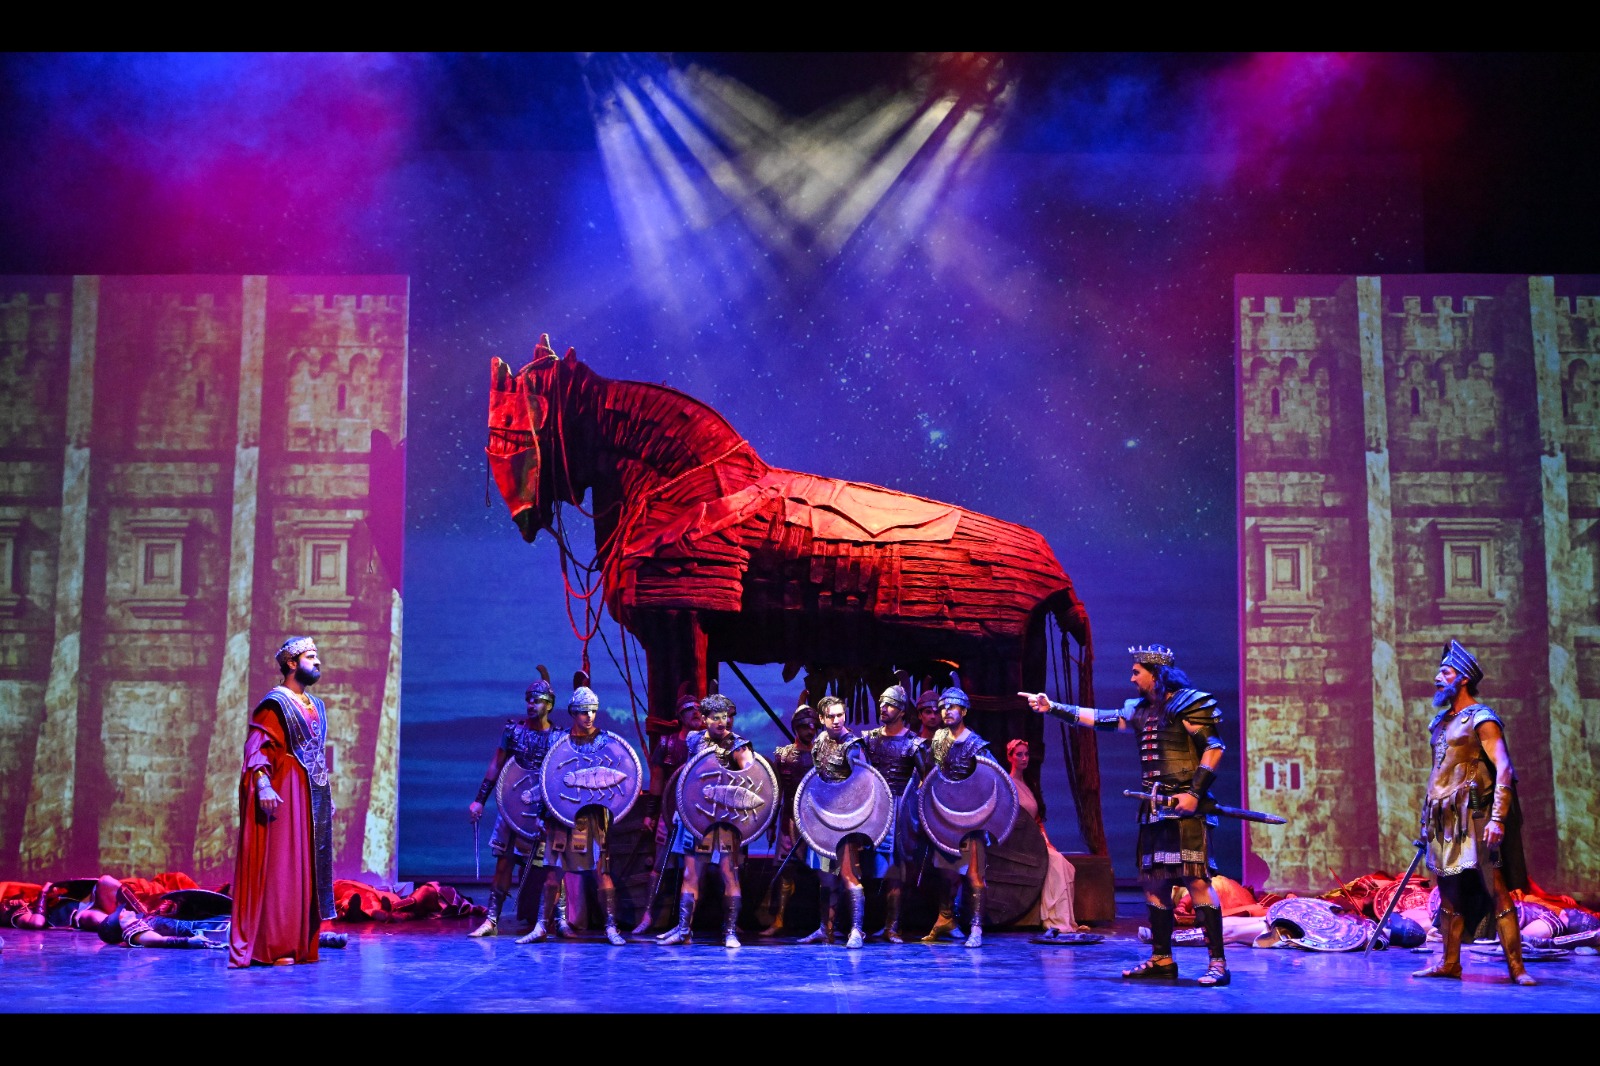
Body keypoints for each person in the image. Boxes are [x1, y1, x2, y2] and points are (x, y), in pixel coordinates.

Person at [1023, 643, 1231, 986]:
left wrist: (1194, 794)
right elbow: (1100, 718)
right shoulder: (1140, 710)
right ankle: (1162, 959)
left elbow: (1213, 748)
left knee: (1196, 881)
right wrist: (1053, 707)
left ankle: (1218, 964)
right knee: (1154, 883)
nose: (1131, 678)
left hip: (1186, 810)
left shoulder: (1189, 704)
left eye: (1137, 672)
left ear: (1157, 673)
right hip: (1153, 808)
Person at [1411, 640, 1535, 985]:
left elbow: (1504, 768)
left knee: (1495, 887)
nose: (1437, 678)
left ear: (1463, 678)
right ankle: (1450, 963)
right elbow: (1437, 774)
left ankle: (1517, 968)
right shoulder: (1440, 722)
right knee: (1449, 893)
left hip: (1476, 814)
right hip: (1443, 817)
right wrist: (1425, 822)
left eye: (1445, 672)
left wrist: (1497, 819)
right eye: (1439, 672)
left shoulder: (1482, 718)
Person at [230, 636, 342, 967]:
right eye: (310, 656)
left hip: (311, 795)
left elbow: (316, 754)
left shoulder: (316, 705)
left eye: (317, 656)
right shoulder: (275, 703)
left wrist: (325, 794)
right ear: (292, 664)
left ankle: (298, 942)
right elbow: (257, 747)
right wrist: (263, 784)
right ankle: (274, 945)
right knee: (284, 867)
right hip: (286, 790)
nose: (317, 662)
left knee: (306, 869)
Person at [523, 671, 627, 946]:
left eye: (593, 711)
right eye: (583, 712)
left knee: (602, 871)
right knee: (552, 874)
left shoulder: (605, 741)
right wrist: (542, 816)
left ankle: (611, 927)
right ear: (573, 713)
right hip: (562, 817)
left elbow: (625, 772)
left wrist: (613, 809)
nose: (589, 716)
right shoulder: (558, 742)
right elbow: (548, 781)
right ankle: (541, 926)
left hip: (592, 817)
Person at [657, 692, 754, 949]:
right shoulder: (694, 739)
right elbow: (688, 775)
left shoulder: (737, 744)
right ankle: (683, 930)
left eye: (725, 717)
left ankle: (730, 932)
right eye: (715, 718)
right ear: (705, 718)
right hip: (696, 817)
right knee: (691, 873)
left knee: (729, 873)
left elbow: (752, 773)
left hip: (724, 819)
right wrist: (681, 810)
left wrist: (743, 769)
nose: (722, 722)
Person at [466, 667, 558, 937]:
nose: (531, 704)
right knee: (504, 863)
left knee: (553, 867)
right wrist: (479, 801)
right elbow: (496, 766)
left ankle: (556, 920)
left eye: (537, 700)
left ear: (549, 705)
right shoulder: (513, 732)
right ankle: (491, 920)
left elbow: (559, 776)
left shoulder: (558, 737)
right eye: (528, 699)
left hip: (544, 813)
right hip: (513, 808)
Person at [918, 673, 992, 949]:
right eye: (943, 707)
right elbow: (930, 773)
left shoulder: (976, 744)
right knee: (947, 873)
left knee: (973, 875)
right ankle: (945, 919)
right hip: (945, 818)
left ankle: (976, 928)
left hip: (970, 819)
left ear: (964, 711)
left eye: (952, 707)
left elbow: (993, 780)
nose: (946, 712)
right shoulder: (938, 739)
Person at [799, 695, 873, 949]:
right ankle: (825, 929)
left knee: (848, 874)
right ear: (821, 718)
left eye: (840, 715)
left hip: (845, 822)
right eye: (831, 716)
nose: (836, 720)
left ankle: (856, 930)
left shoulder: (853, 745)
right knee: (826, 878)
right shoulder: (820, 740)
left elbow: (863, 783)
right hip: (822, 820)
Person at [631, 685, 704, 936]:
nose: (696, 713)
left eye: (698, 709)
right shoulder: (667, 744)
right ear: (680, 715)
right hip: (670, 814)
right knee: (660, 865)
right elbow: (658, 782)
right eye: (690, 709)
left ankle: (687, 924)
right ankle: (648, 915)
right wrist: (652, 815)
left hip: (698, 817)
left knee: (697, 869)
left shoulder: (709, 745)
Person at [860, 676, 925, 943]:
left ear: (901, 710)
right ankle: (861, 925)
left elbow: (925, 779)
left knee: (895, 871)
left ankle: (892, 927)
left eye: (889, 705)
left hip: (899, 810)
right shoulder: (869, 739)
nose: (883, 708)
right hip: (874, 808)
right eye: (881, 704)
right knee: (866, 867)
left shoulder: (913, 743)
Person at [1004, 739, 1078, 936]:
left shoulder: (1028, 784)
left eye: (1026, 754)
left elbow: (1037, 821)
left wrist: (1046, 841)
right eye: (1019, 754)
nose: (1024, 758)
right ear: (1010, 757)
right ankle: (1055, 920)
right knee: (1056, 863)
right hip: (1019, 842)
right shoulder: (1008, 784)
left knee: (1066, 865)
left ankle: (1066, 920)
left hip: (1035, 840)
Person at [760, 694, 818, 937]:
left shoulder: (823, 754)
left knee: (825, 873)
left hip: (818, 822)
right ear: (796, 727)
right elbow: (777, 791)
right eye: (805, 726)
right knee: (786, 871)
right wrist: (772, 824)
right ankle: (779, 919)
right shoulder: (783, 755)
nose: (811, 730)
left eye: (813, 726)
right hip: (789, 820)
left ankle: (827, 924)